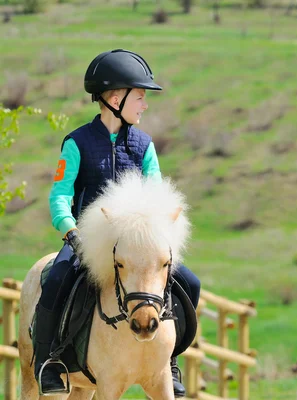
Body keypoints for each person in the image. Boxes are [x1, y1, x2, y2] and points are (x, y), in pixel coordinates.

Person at [35, 49, 201, 398]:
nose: (144, 105)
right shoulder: (77, 143)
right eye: (139, 97)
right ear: (115, 99)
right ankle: (49, 362)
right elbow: (59, 196)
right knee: (56, 281)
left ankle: (168, 361)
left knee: (191, 283)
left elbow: (157, 197)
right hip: (87, 243)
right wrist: (71, 232)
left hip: (135, 247)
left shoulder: (144, 145)